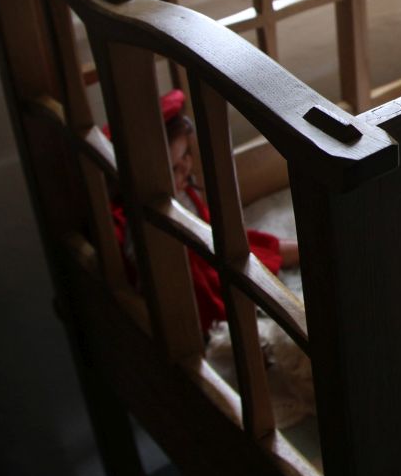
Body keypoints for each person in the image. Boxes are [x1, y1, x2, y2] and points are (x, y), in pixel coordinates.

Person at [111, 89, 299, 333]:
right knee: (225, 294)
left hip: (208, 249)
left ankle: (304, 249)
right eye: (173, 168)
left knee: (255, 247)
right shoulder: (138, 220)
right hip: (187, 276)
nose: (185, 169)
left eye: (186, 156)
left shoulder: (184, 189)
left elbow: (208, 225)